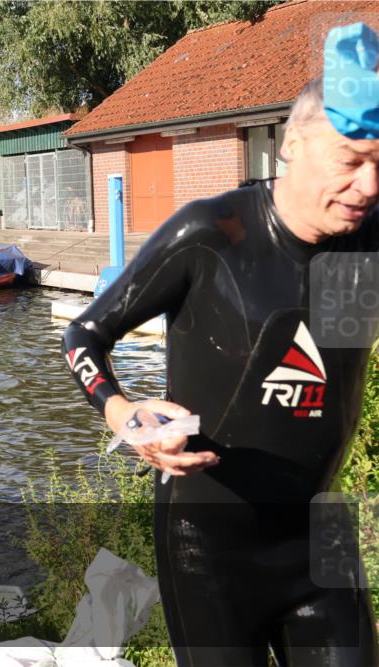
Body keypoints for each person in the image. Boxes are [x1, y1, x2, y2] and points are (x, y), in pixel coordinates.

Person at [61, 43, 378, 666]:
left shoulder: (369, 234)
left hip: (321, 531)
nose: (369, 185)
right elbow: (85, 335)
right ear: (293, 146)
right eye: (351, 160)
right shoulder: (212, 236)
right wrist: (124, 414)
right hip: (207, 544)